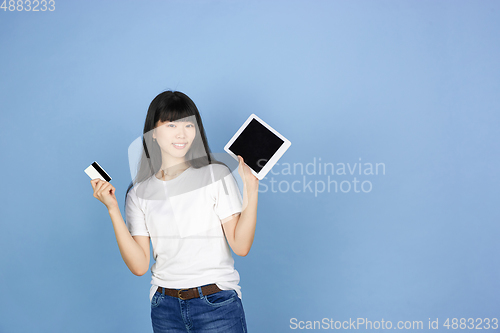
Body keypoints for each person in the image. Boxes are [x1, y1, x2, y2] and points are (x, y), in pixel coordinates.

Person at [90, 90, 258, 332]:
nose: (181, 133)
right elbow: (139, 265)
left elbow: (241, 246)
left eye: (189, 125)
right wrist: (113, 209)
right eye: (171, 125)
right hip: (165, 308)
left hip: (216, 303)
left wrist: (251, 189)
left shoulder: (215, 175)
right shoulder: (138, 193)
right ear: (153, 133)